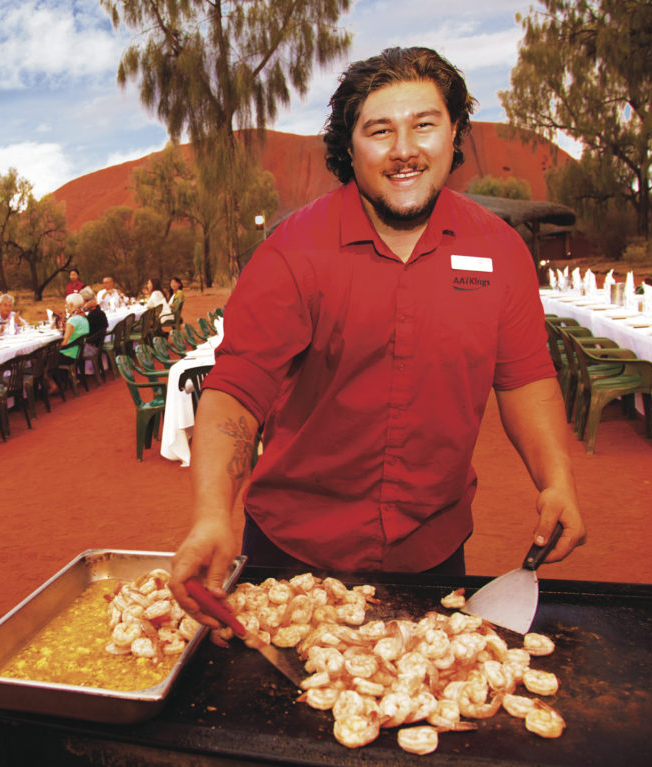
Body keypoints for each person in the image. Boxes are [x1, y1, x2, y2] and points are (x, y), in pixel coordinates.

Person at [169, 46, 586, 626]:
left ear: (454, 132)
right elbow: (237, 387)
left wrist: (556, 481)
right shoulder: (292, 251)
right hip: (293, 550)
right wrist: (213, 513)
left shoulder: (499, 251)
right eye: (379, 130)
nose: (404, 150)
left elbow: (525, 378)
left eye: (424, 125)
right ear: (349, 146)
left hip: (433, 549)